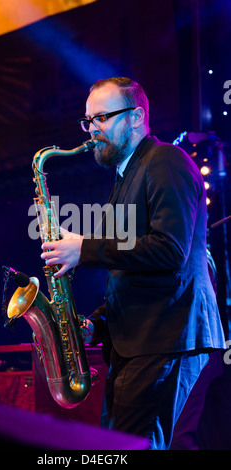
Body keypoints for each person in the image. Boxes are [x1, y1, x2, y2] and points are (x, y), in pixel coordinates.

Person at [40, 77, 225, 450]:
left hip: (168, 344)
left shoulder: (166, 161)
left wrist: (83, 250)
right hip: (142, 347)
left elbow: (169, 250)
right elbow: (133, 272)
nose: (92, 131)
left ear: (137, 117)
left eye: (103, 118)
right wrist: (98, 324)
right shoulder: (126, 179)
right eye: (88, 121)